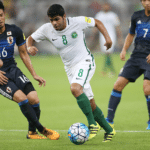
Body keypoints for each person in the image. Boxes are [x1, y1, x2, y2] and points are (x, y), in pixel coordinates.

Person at [26, 4, 116, 142]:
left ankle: (92, 125)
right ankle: (109, 130)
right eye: (51, 20)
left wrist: (108, 38)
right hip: (69, 68)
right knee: (90, 102)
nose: (54, 23)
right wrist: (29, 46)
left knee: (75, 88)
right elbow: (30, 38)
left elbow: (97, 22)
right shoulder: (46, 29)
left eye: (57, 19)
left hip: (85, 61)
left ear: (64, 16)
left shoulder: (77, 22)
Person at [0, 1, 60, 140]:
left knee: (33, 98)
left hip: (13, 70)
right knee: (22, 98)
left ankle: (32, 133)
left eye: (1, 15)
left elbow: (23, 53)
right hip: (1, 75)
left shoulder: (14, 30)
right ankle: (42, 129)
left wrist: (34, 74)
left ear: (4, 14)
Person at [105, 0, 150, 130]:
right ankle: (109, 120)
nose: (148, 3)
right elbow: (131, 34)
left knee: (147, 89)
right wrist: (124, 49)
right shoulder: (136, 15)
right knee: (118, 85)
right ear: (142, 2)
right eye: (145, 0)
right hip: (136, 56)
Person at [95, 2, 123, 76]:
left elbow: (117, 27)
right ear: (102, 6)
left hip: (111, 35)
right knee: (106, 53)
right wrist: (93, 37)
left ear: (109, 7)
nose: (105, 7)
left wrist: (120, 38)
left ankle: (106, 70)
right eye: (104, 6)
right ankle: (110, 70)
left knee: (108, 52)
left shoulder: (113, 15)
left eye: (107, 6)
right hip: (102, 36)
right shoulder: (99, 15)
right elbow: (95, 27)